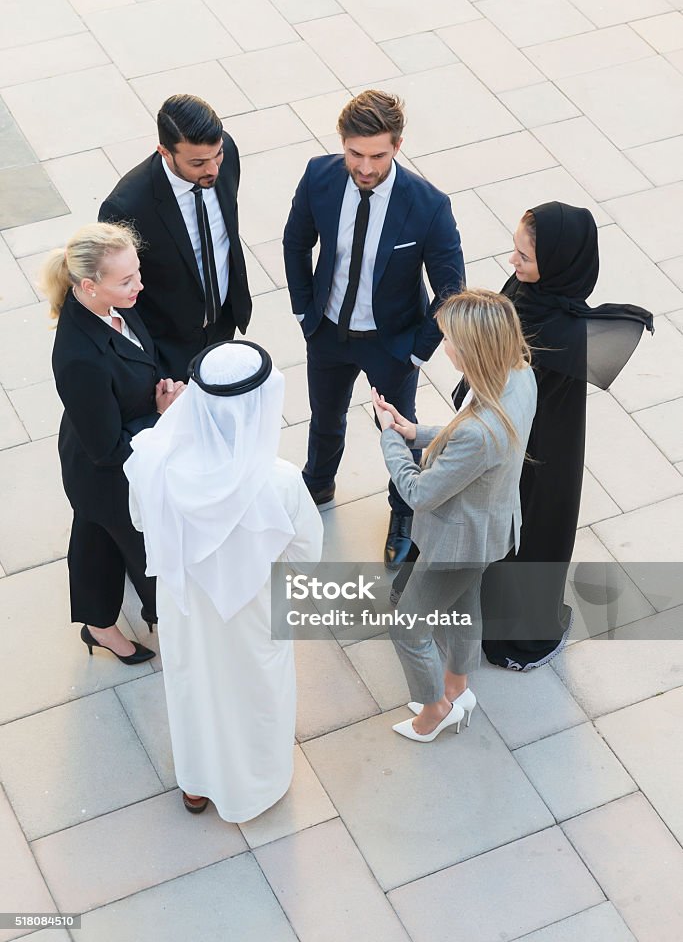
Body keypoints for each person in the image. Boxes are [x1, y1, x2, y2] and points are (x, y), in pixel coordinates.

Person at [124, 341, 323, 818]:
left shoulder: (156, 458)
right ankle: (256, 788)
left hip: (184, 604)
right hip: (253, 611)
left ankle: (196, 784)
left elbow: (138, 520)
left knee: (195, 687)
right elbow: (308, 555)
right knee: (255, 691)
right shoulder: (279, 481)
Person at [283, 90, 465, 571]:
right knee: (324, 418)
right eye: (355, 153)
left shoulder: (427, 205)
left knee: (399, 431)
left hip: (393, 344)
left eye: (377, 155)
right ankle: (317, 485)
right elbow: (296, 243)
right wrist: (305, 311)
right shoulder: (318, 177)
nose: (364, 166)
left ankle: (402, 512)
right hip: (327, 331)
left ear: (398, 147)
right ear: (343, 144)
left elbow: (450, 289)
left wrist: (418, 353)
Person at [470, 203, 654, 671]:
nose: (512, 263)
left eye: (524, 257)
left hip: (541, 447)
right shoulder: (538, 295)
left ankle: (515, 632)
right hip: (517, 432)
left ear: (557, 264)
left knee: (530, 531)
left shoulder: (558, 328)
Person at [372, 289, 537, 742]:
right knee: (464, 610)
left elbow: (419, 492)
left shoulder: (482, 431)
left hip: (457, 542)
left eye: (449, 339)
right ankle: (457, 688)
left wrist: (390, 437)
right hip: (488, 528)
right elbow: (466, 438)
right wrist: (415, 431)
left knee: (407, 628)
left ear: (473, 350)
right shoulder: (519, 377)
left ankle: (435, 711)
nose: (444, 345)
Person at [42, 223, 185, 664]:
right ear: (89, 285)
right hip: (106, 471)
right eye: (126, 280)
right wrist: (159, 417)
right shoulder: (78, 356)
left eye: (136, 273)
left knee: (94, 538)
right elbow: (107, 449)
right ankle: (171, 628)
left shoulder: (111, 304)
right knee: (144, 550)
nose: (138, 285)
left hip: (99, 457)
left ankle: (98, 624)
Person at [99, 94, 252, 381]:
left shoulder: (226, 152)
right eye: (197, 163)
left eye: (216, 155)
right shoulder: (127, 207)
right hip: (168, 347)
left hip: (223, 324)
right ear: (164, 152)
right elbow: (117, 293)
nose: (213, 169)